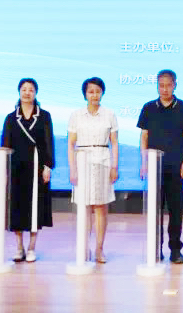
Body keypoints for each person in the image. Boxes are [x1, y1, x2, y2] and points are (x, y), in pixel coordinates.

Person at [137, 69, 183, 264]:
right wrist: (144, 162)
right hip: (155, 168)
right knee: (155, 210)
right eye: (161, 86)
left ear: (175, 85)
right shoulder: (148, 108)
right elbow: (144, 136)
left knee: (175, 211)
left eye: (168, 85)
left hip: (176, 167)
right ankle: (156, 248)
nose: (164, 89)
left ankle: (175, 250)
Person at [0, 78, 54, 262]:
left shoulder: (44, 116)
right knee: (17, 207)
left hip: (37, 168)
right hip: (16, 168)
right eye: (24, 89)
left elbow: (48, 142)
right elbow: (5, 144)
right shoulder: (11, 118)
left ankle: (31, 248)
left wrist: (48, 166)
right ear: (19, 92)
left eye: (31, 89)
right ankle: (19, 248)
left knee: (35, 208)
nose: (27, 93)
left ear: (35, 93)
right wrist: (5, 171)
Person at [67, 77, 119, 264]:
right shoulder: (76, 115)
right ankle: (84, 247)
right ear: (85, 94)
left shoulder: (109, 114)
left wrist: (114, 166)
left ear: (102, 93)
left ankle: (99, 248)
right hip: (82, 162)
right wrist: (72, 169)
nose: (94, 95)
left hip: (103, 161)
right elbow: (70, 144)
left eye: (97, 91)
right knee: (84, 206)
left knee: (101, 207)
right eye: (91, 92)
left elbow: (114, 143)